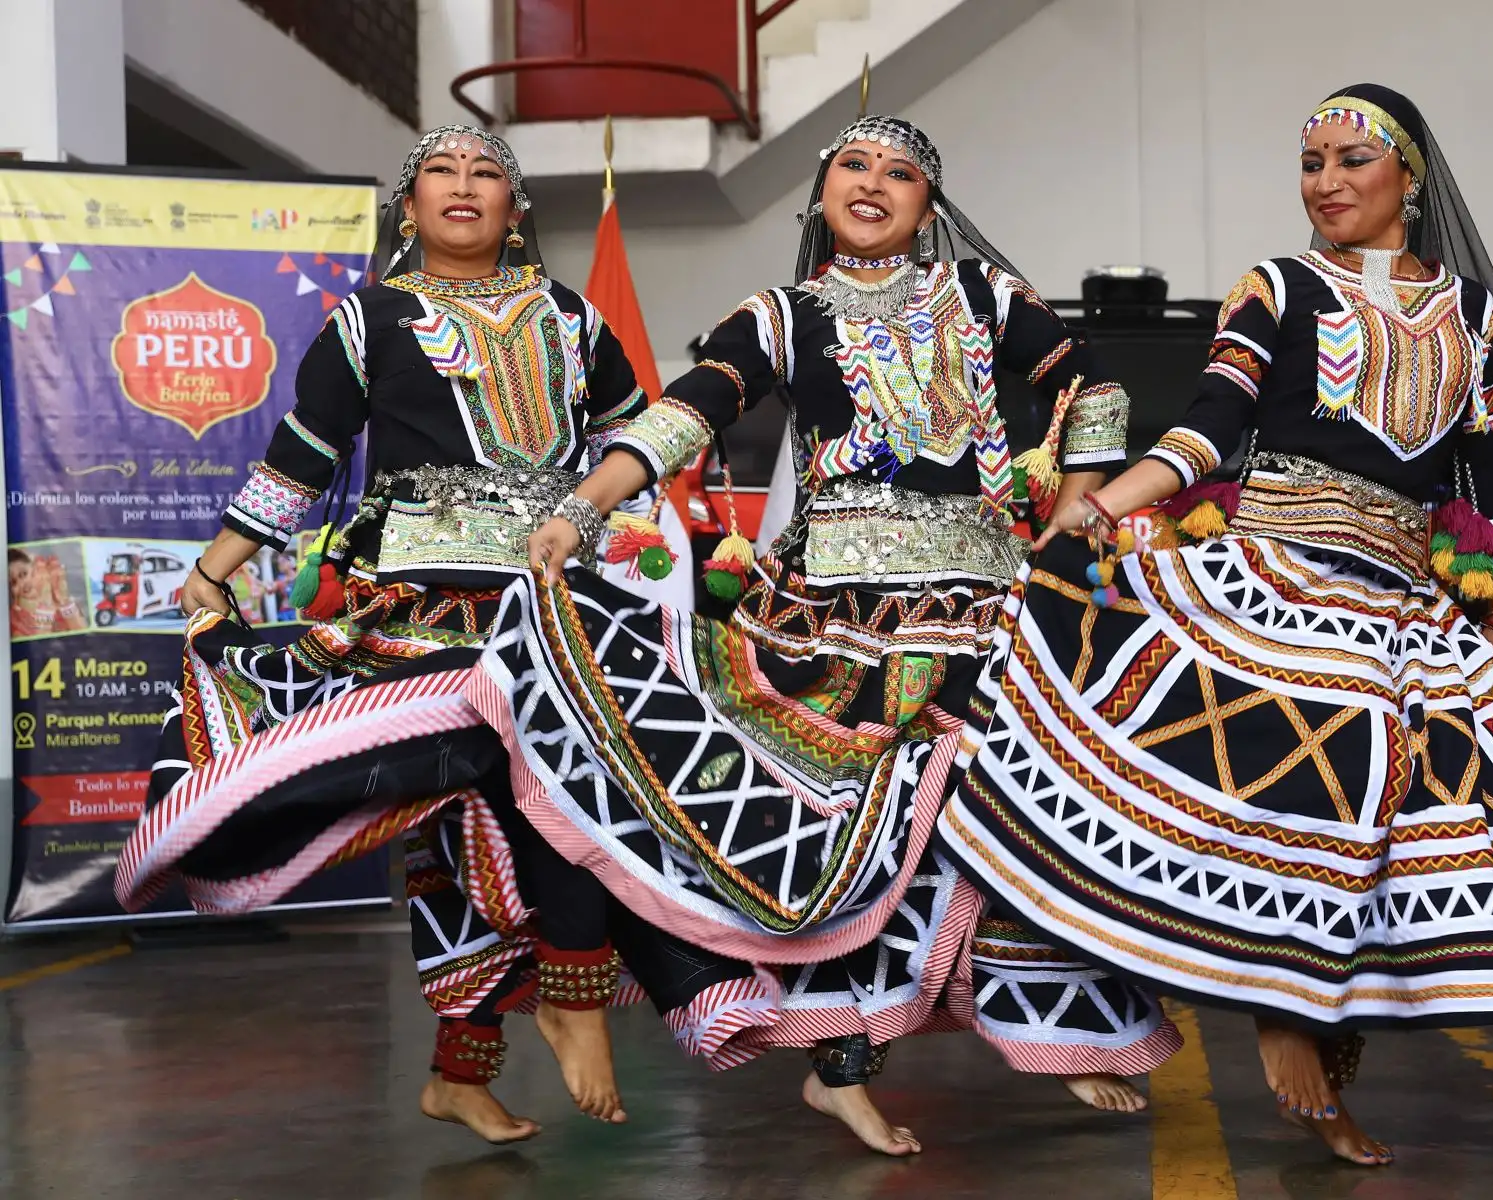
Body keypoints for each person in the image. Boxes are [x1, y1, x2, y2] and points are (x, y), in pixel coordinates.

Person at [940, 84, 1493, 1167]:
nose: (1326, 182)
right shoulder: (1275, 288)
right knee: (1325, 757)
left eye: (1352, 160)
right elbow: (1214, 425)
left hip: (1407, 596)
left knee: (1441, 819)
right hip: (1273, 568)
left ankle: (1320, 1055)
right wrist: (1107, 501)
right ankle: (1269, 1023)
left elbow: (1491, 482)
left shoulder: (1472, 315)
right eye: (1311, 162)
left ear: (1409, 176)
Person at [477, 114, 1180, 1156]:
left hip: (986, 598)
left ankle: (1065, 1033)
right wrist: (583, 507)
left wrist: (1076, 501)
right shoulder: (781, 315)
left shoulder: (984, 299)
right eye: (855, 165)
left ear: (928, 209)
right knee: (853, 836)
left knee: (1021, 820)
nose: (875, 183)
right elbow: (687, 414)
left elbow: (1098, 387)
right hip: (840, 612)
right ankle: (839, 1068)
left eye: (902, 173)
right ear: (821, 194)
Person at [114, 125, 651, 1143]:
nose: (463, 187)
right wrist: (213, 570)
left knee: (482, 827)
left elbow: (637, 438)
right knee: (510, 788)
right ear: (407, 210)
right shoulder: (369, 321)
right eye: (440, 174)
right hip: (423, 606)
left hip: (556, 600)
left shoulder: (575, 319)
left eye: (487, 173)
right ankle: (574, 998)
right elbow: (302, 457)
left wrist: (635, 541)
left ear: (516, 208)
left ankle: (460, 1070)